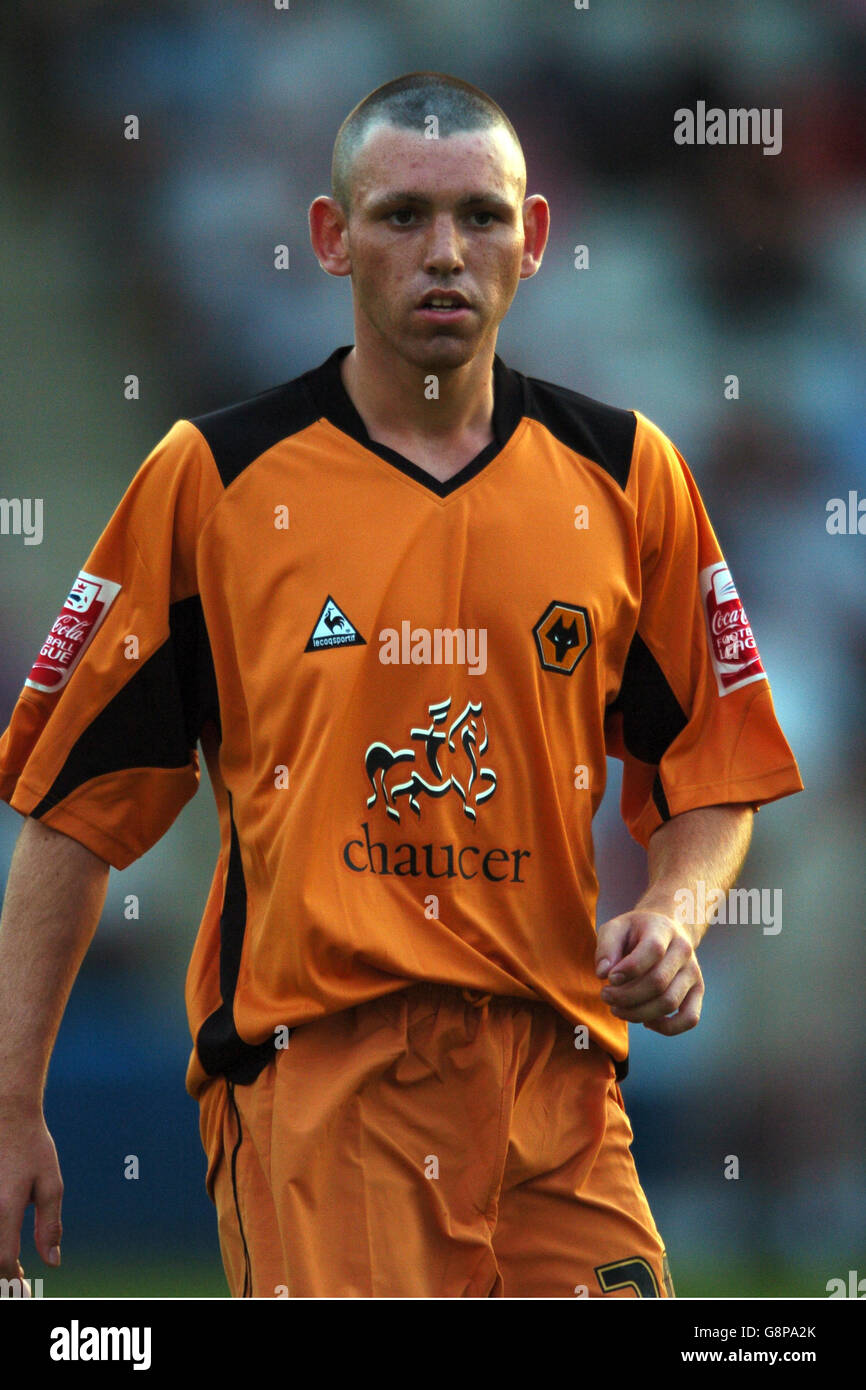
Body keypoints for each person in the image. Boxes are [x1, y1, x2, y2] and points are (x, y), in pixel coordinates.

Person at [0, 71, 802, 1299]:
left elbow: (717, 767)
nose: (445, 252)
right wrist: (12, 1102)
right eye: (401, 217)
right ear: (332, 238)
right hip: (325, 1087)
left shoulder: (628, 474)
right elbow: (73, 811)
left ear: (532, 241)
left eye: (481, 217)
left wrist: (679, 917)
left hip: (561, 1088)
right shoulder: (210, 478)